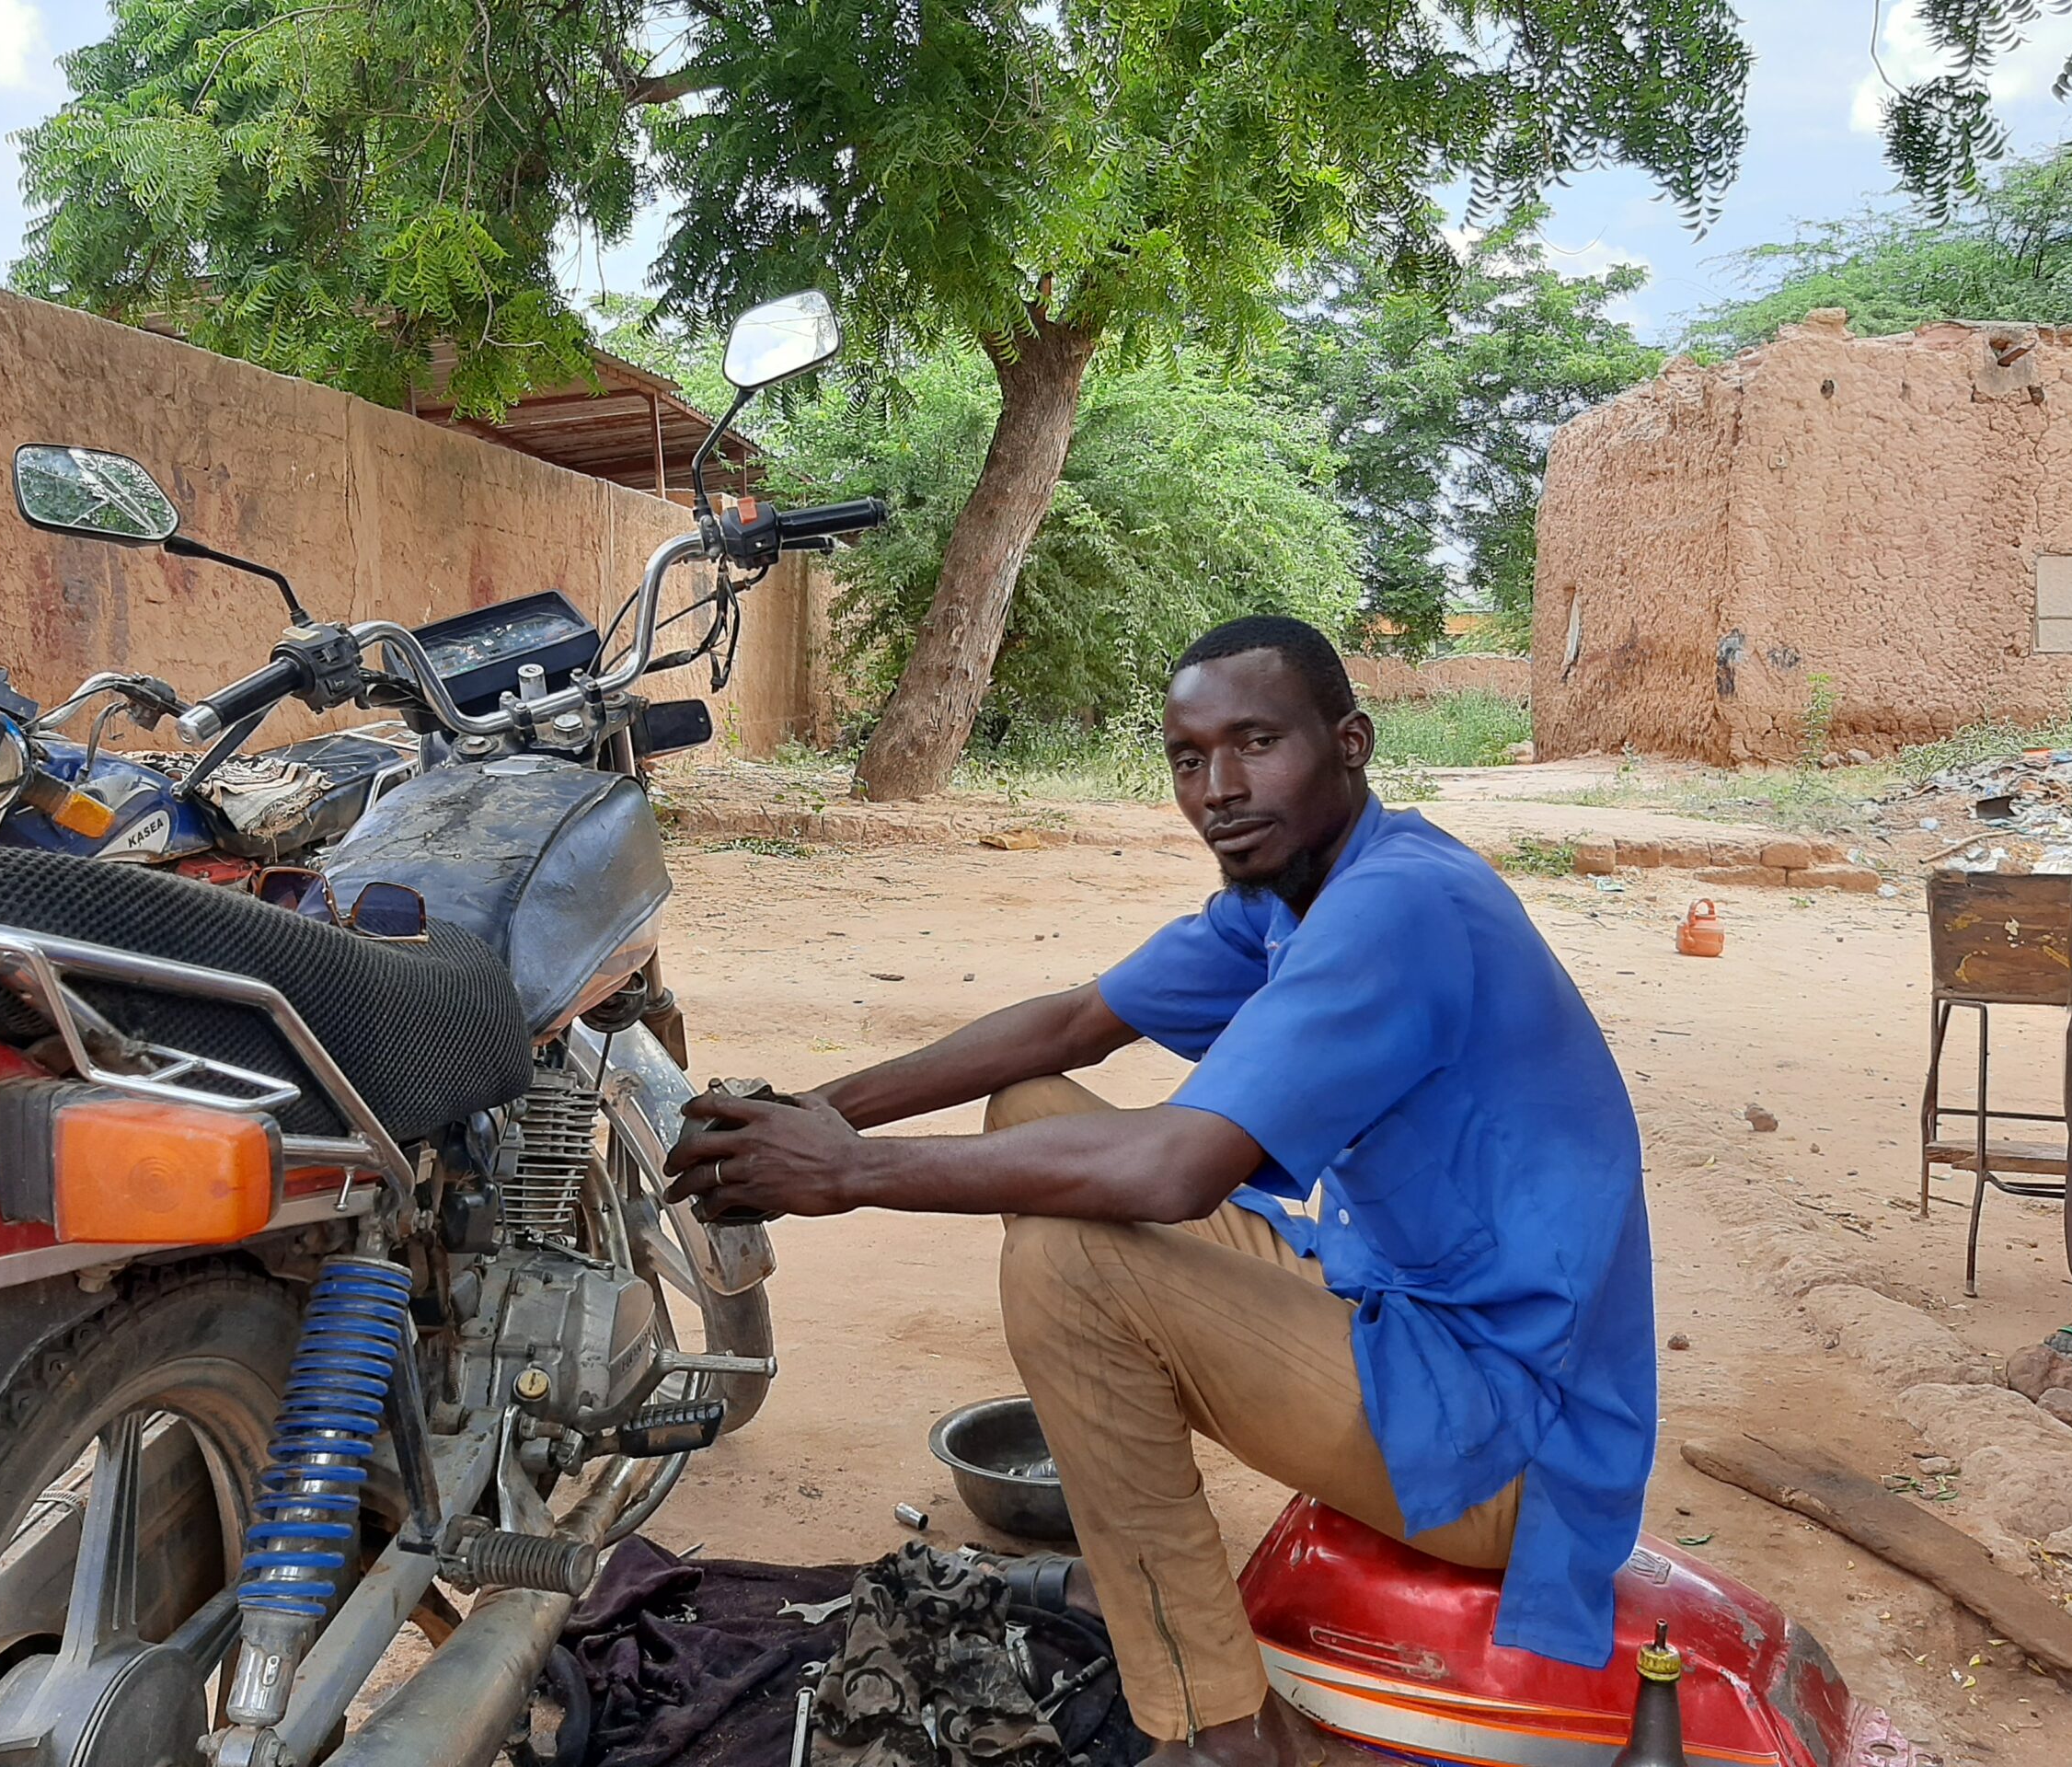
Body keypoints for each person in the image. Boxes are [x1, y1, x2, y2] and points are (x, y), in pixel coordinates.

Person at [666, 617, 1654, 1767]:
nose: (1219, 789)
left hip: (1512, 1436)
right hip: (1411, 1317)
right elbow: (1074, 1026)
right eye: (1188, 757)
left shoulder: (1399, 908)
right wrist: (818, 1115)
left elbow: (1177, 1172)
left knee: (1069, 1266)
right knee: (1034, 1107)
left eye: (1255, 743)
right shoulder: (1296, 890)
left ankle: (1215, 1728)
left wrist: (848, 1173)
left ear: (1350, 742)